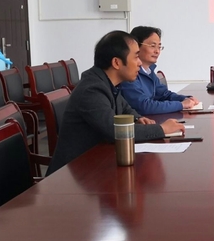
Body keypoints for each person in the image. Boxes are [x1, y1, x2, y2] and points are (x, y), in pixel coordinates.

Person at [47, 31, 185, 174]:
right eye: (136, 57)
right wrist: (161, 129)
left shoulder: (107, 83)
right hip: (71, 175)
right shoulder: (92, 89)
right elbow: (115, 131)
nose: (139, 63)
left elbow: (125, 108)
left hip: (95, 166)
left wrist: (138, 118)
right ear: (116, 63)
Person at [119, 26, 199, 115]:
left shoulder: (149, 71)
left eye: (159, 47)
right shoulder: (129, 74)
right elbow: (144, 106)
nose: (157, 51)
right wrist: (181, 105)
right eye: (152, 46)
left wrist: (185, 98)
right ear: (136, 46)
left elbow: (163, 94)